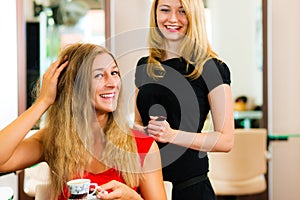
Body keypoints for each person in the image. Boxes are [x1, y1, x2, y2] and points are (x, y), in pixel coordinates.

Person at [0, 43, 167, 200]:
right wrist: (43, 101)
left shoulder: (142, 145)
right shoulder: (53, 139)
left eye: (114, 73)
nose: (112, 83)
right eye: (99, 75)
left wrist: (134, 198)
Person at [134, 0, 234, 199]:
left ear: (193, 16)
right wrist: (144, 131)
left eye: (182, 11)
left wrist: (171, 135)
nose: (172, 19)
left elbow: (226, 140)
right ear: (155, 14)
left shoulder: (211, 68)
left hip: (190, 188)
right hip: (148, 186)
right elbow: (138, 123)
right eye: (165, 10)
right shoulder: (145, 66)